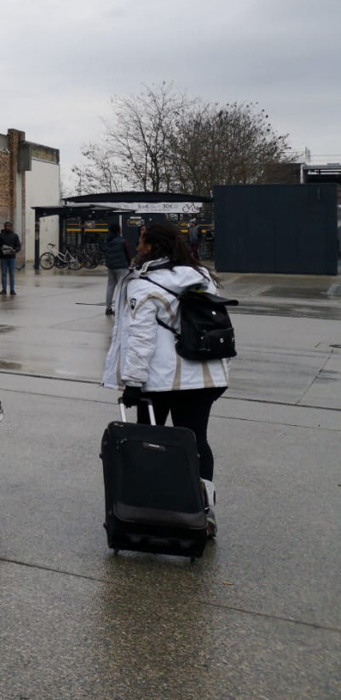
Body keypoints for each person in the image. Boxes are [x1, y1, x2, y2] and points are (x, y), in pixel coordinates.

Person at [103, 221, 228, 536]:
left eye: (143, 240)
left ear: (152, 246)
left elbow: (139, 338)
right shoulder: (201, 276)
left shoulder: (145, 284)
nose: (139, 244)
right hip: (206, 375)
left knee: (150, 442)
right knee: (197, 440)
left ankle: (152, 506)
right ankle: (204, 510)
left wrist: (132, 382)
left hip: (160, 382)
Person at [102, 219, 134, 315]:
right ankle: (119, 308)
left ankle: (108, 308)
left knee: (110, 287)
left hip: (111, 267)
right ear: (118, 230)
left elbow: (104, 252)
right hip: (122, 267)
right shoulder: (123, 241)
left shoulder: (107, 241)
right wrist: (129, 264)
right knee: (121, 288)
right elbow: (128, 254)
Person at [0, 220, 21, 295]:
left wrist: (15, 250)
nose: (8, 227)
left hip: (12, 257)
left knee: (12, 274)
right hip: (3, 257)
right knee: (3, 273)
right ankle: (4, 289)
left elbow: (18, 245)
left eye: (9, 226)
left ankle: (12, 289)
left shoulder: (15, 236)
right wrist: (2, 249)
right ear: (4, 227)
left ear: (11, 227)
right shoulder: (0, 236)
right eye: (6, 226)